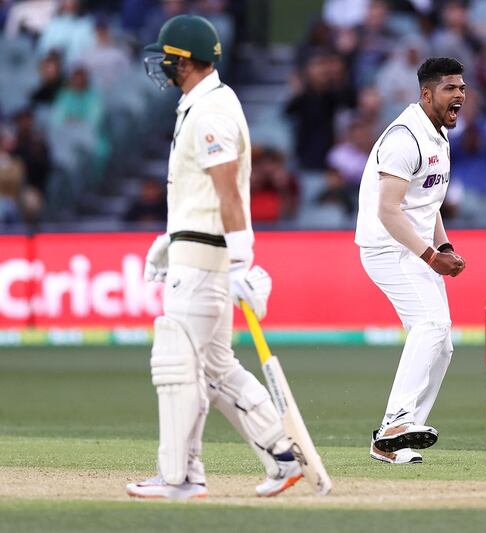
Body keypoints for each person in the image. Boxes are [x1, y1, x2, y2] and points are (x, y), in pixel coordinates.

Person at [126, 14, 302, 501]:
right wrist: (173, 239)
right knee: (216, 367)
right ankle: (282, 456)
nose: (160, 64)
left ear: (183, 60)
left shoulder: (211, 112)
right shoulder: (201, 105)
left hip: (206, 262)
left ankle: (180, 476)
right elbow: (204, 194)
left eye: (166, 56)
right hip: (197, 252)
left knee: (178, 362)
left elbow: (228, 190)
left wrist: (242, 260)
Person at [355, 57, 467, 464]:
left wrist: (445, 246)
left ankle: (392, 440)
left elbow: (426, 201)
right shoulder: (405, 138)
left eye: (462, 88)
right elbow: (389, 211)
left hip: (415, 248)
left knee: (443, 345)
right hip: (387, 248)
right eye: (450, 88)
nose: (460, 95)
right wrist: (431, 256)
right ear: (426, 93)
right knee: (431, 325)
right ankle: (396, 422)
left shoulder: (438, 134)